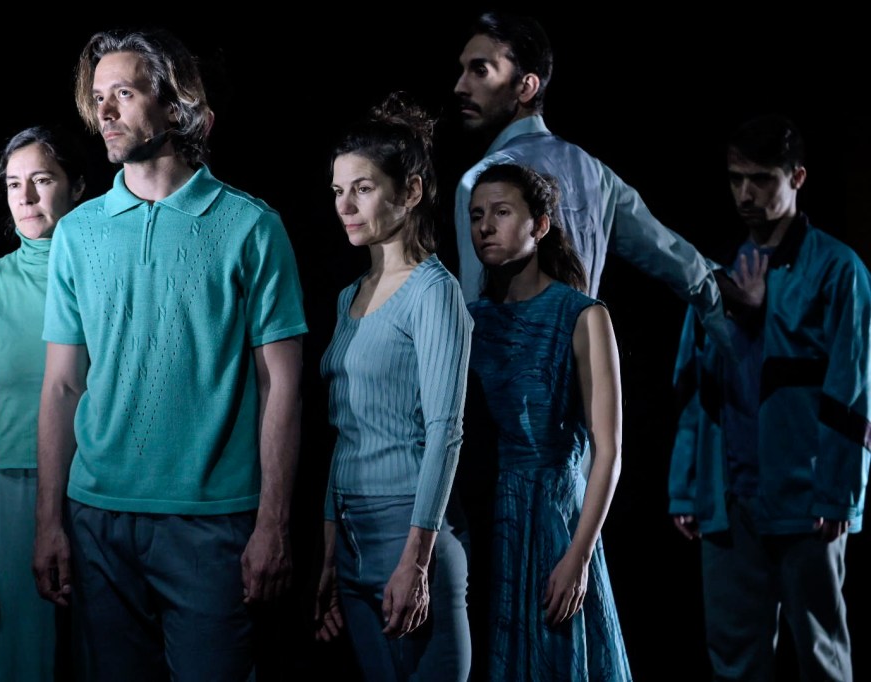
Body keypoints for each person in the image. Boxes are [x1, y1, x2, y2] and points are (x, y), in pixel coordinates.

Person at [32, 28, 307, 681]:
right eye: (98, 97)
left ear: (174, 101)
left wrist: (273, 524)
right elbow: (62, 386)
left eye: (123, 94)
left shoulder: (252, 226)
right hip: (97, 517)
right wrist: (48, 521)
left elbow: (282, 386)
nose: (104, 112)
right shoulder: (76, 233)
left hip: (211, 523)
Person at [668, 115, 869, 681]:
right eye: (736, 178)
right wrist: (687, 484)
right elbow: (693, 386)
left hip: (806, 496)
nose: (745, 193)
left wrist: (839, 494)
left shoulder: (838, 269)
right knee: (734, 657)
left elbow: (851, 390)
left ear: (797, 177)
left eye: (760, 179)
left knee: (821, 654)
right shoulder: (716, 275)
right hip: (730, 496)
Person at [314, 92, 473, 680]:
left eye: (362, 188)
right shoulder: (347, 297)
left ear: (410, 191)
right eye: (338, 190)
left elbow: (446, 431)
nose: (345, 205)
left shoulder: (434, 292)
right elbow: (344, 432)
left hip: (409, 531)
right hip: (351, 541)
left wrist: (417, 560)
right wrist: (329, 551)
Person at [452, 11, 728, 350]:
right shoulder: (594, 173)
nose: (460, 86)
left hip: (509, 378)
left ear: (526, 86)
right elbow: (671, 255)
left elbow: (473, 325)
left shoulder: (479, 183)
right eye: (463, 70)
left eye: (480, 70)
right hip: (587, 373)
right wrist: (726, 287)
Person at [466, 163, 632, 680]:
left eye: (501, 212)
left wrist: (578, 555)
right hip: (487, 516)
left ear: (539, 226)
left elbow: (609, 451)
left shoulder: (582, 315)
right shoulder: (470, 319)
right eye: (476, 215)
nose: (485, 226)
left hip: (555, 518)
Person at [0, 125, 87, 681]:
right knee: (18, 665)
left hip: (98, 490)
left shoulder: (107, 277)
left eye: (42, 180)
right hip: (12, 498)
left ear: (77, 186)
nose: (26, 197)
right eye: (13, 183)